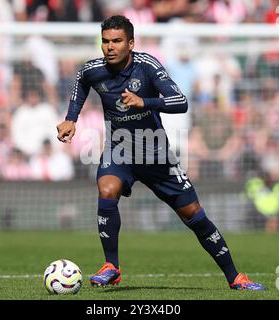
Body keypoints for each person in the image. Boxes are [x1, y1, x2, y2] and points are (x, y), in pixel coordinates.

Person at [56, 15, 265, 291]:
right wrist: (71, 118)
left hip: (156, 154)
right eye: (105, 41)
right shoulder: (93, 69)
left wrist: (145, 102)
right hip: (119, 151)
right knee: (107, 189)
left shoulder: (147, 66)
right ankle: (112, 266)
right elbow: (81, 82)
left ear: (130, 43)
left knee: (194, 215)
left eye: (116, 41)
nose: (109, 47)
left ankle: (235, 277)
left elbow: (181, 102)